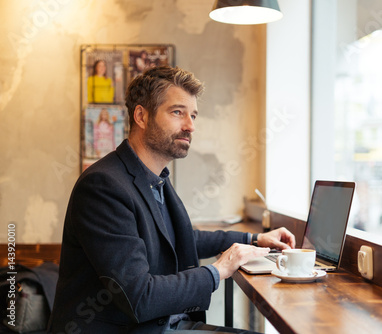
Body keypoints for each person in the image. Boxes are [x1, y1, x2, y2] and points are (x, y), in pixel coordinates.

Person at [48, 66, 295, 333]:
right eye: (177, 112)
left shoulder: (154, 178)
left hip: (164, 324)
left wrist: (254, 240)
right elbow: (138, 296)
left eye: (193, 115)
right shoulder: (103, 186)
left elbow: (181, 238)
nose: (190, 126)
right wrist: (218, 270)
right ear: (141, 116)